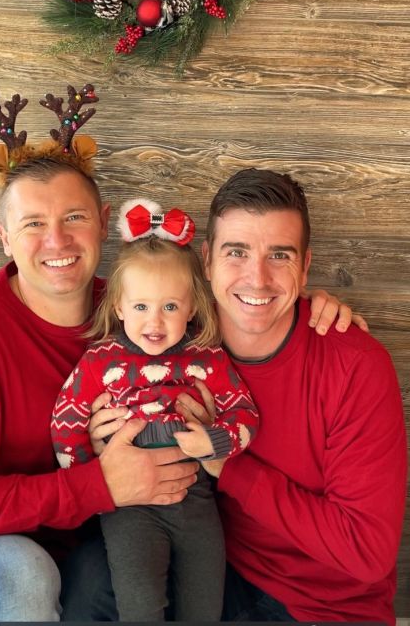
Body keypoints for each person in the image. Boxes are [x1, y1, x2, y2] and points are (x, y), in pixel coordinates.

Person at [0, 82, 363, 623]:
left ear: (103, 221)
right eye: (33, 224)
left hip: (83, 531)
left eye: (74, 218)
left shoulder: (138, 312)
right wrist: (97, 482)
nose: (57, 241)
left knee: (122, 582)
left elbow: (239, 300)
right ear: (5, 237)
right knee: (24, 577)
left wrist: (308, 308)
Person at [181, 168, 407, 623]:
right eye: (236, 252)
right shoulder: (175, 345)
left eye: (279, 255)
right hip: (217, 575)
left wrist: (230, 466)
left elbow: (366, 551)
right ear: (206, 261)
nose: (257, 278)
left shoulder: (355, 366)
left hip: (323, 605)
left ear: (304, 267)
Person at [52, 198, 259, 621]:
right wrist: (91, 475)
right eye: (141, 307)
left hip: (196, 501)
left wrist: (214, 441)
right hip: (129, 509)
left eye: (170, 307)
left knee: (205, 605)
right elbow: (65, 420)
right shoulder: (100, 361)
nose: (155, 322)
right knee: (140, 606)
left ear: (192, 307)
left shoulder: (207, 357)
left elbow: (245, 413)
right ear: (119, 306)